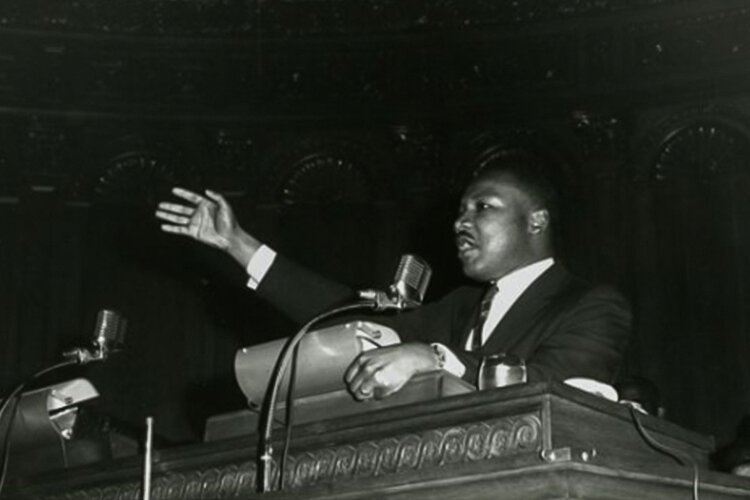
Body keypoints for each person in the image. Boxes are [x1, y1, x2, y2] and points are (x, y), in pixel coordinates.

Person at [155, 155, 631, 401]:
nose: (460, 222)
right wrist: (239, 244)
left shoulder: (590, 304)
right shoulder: (462, 307)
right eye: (460, 210)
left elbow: (560, 387)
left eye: (482, 208)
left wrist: (433, 356)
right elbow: (348, 319)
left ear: (536, 222)